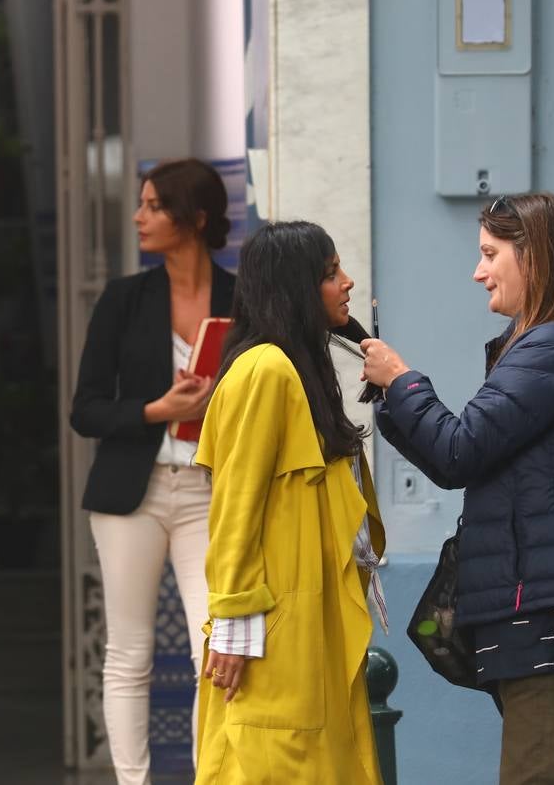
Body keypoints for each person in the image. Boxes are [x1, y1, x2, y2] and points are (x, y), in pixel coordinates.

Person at [363, 192, 554, 785]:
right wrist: (394, 396)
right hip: (545, 622)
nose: (478, 271)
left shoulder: (551, 347)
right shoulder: (544, 345)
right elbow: (458, 457)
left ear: (533, 258)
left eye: (491, 254)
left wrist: (402, 381)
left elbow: (459, 448)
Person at [194, 220, 386, 785]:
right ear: (295, 288)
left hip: (305, 625)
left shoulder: (297, 366)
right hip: (273, 634)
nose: (347, 283)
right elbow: (235, 509)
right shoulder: (266, 370)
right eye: (330, 274)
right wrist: (231, 626)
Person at [69, 158, 234, 785]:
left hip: (208, 491)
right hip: (128, 497)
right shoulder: (123, 299)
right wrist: (155, 410)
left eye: (152, 206)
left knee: (214, 648)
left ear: (192, 218)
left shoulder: (240, 298)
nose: (139, 217)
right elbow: (85, 410)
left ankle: (211, 776)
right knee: (129, 653)